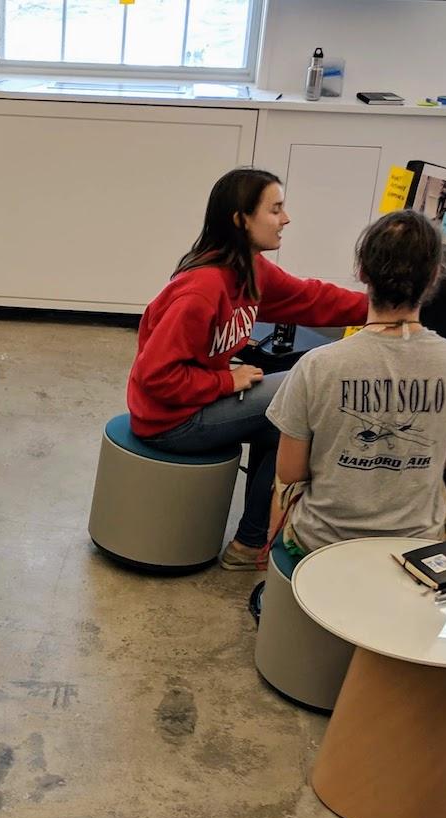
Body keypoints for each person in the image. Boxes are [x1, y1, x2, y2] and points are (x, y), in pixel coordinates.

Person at [127, 167, 367, 570]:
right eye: (275, 209)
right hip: (169, 421)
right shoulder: (202, 290)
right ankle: (255, 541)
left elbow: (311, 298)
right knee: (300, 388)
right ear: (241, 219)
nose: (285, 219)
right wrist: (225, 380)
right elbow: (155, 377)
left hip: (195, 404)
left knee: (287, 420)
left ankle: (249, 543)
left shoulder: (249, 270)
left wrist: (382, 306)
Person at [266, 209, 446, 559]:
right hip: (418, 546)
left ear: (362, 271)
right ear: (434, 277)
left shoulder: (317, 366)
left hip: (323, 544)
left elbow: (290, 471)